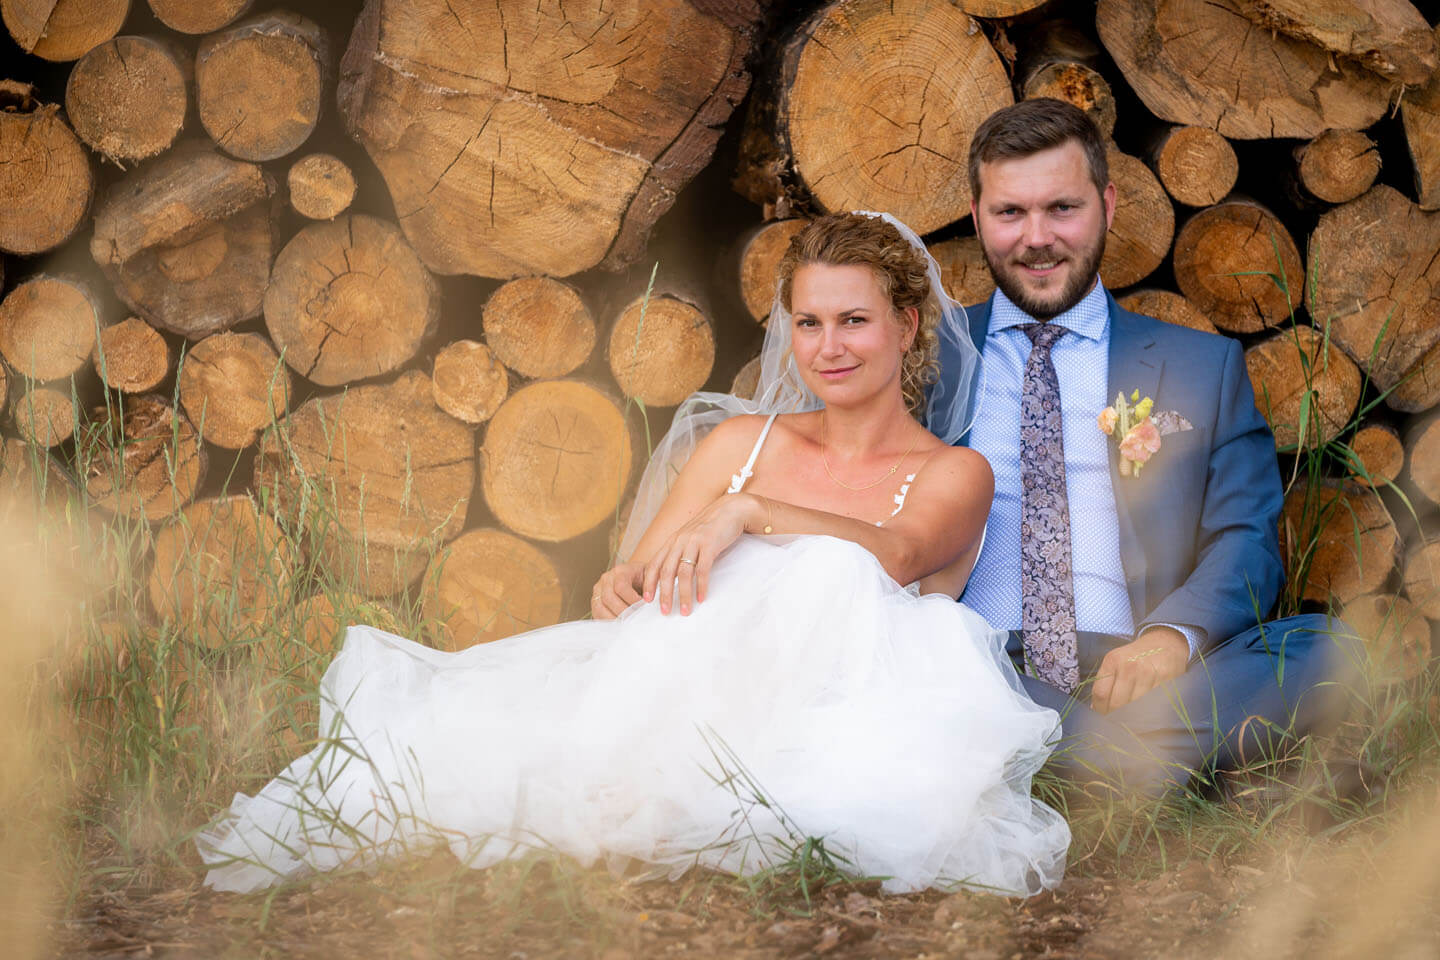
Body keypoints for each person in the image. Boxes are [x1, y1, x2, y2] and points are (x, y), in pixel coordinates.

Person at [197, 212, 1070, 897]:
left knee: (824, 569)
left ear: (908, 325)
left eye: (854, 321)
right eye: (807, 322)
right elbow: (634, 592)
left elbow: (895, 555)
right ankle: (637, 778)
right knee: (468, 760)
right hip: (688, 687)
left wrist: (749, 516)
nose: (828, 348)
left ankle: (672, 787)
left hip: (846, 704)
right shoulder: (739, 448)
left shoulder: (953, 471)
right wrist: (625, 585)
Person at [932, 98, 1357, 795]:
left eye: (1061, 208)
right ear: (977, 218)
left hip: (1142, 667)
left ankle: (1068, 760)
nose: (1036, 237)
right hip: (974, 657)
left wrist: (1171, 639)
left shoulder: (1201, 368)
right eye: (1010, 213)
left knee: (1330, 650)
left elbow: (1246, 541)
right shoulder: (926, 359)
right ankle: (1158, 764)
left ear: (1107, 204)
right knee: (938, 686)